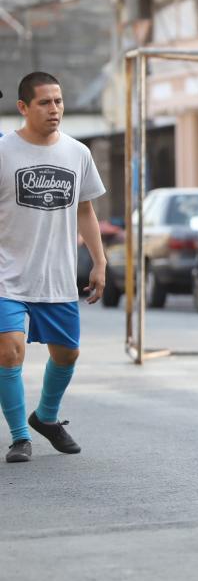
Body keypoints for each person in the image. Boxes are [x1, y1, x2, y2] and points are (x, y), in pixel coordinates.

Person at [0, 72, 107, 463]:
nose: (55, 109)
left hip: (57, 276)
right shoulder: (4, 151)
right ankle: (19, 437)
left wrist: (99, 261)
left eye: (59, 101)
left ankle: (46, 417)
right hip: (6, 275)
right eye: (45, 102)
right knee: (9, 353)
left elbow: (86, 210)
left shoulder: (78, 153)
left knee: (67, 356)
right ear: (23, 108)